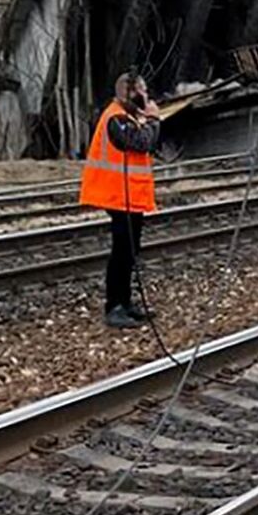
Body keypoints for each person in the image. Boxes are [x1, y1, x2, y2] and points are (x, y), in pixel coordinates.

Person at [78, 72, 161, 328]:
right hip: (116, 194)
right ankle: (114, 306)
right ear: (132, 92)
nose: (147, 95)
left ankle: (124, 303)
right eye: (143, 90)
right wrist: (153, 119)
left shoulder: (126, 117)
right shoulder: (116, 118)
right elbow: (141, 143)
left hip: (128, 196)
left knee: (130, 251)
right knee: (122, 252)